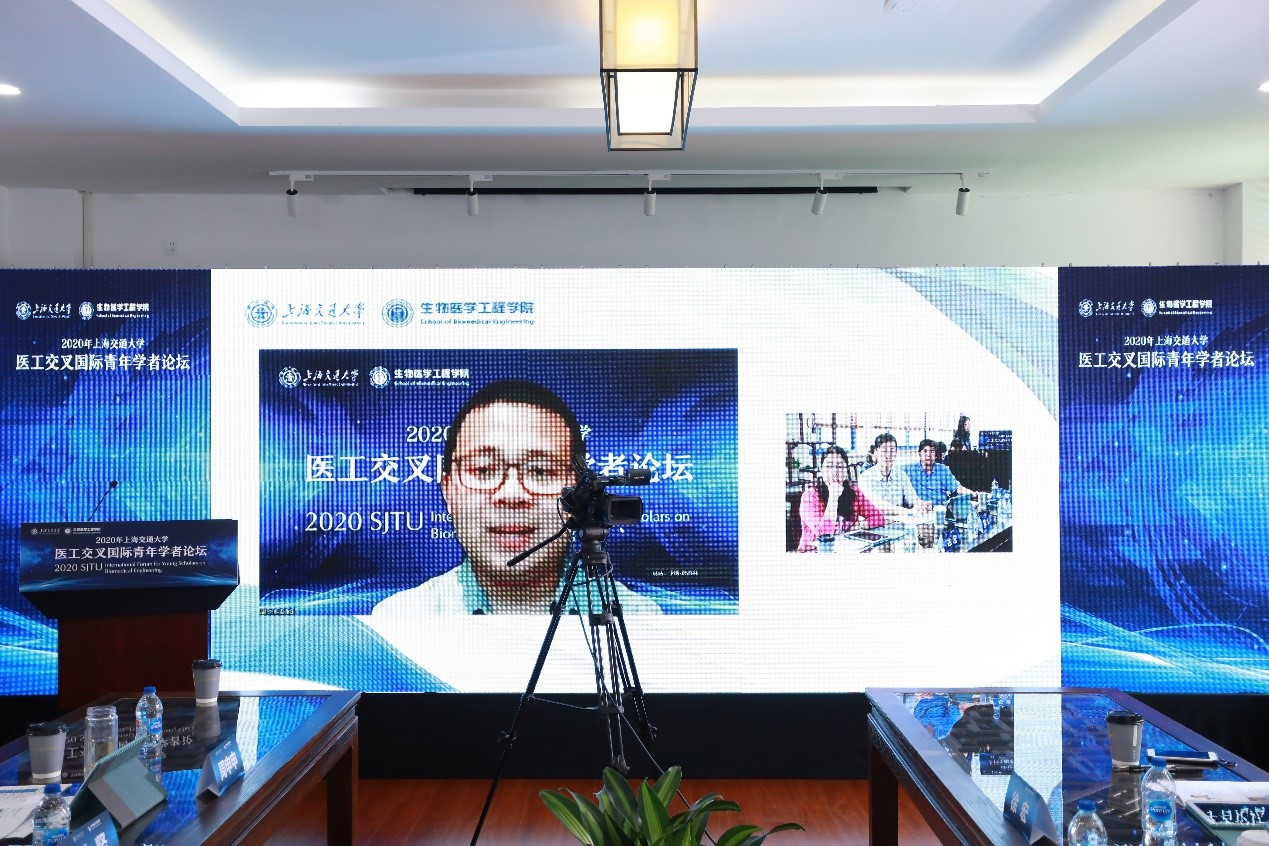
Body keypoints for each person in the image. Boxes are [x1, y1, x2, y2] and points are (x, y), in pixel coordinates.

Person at [372, 379, 661, 615]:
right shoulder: (400, 619)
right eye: (483, 469)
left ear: (578, 493)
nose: (511, 495)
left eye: (540, 470)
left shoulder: (635, 616)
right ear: (448, 490)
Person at [796, 445, 885, 552]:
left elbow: (879, 518)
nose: (835, 472)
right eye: (829, 466)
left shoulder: (854, 492)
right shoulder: (810, 496)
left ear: (846, 471)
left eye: (840, 467)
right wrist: (833, 497)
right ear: (821, 470)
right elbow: (824, 534)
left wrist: (859, 525)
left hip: (848, 550)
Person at [856, 433, 929, 517]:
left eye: (892, 451)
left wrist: (920, 504)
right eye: (884, 451)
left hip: (900, 521)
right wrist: (908, 512)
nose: (888, 455)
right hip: (876, 522)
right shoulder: (865, 478)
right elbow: (878, 505)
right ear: (875, 452)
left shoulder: (901, 475)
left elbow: (912, 497)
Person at [904, 438, 977, 504]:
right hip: (919, 509)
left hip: (941, 508)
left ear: (936, 455)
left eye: (932, 451)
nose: (928, 454)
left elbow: (957, 488)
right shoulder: (909, 470)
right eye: (925, 451)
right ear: (919, 453)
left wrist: (973, 493)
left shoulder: (942, 470)